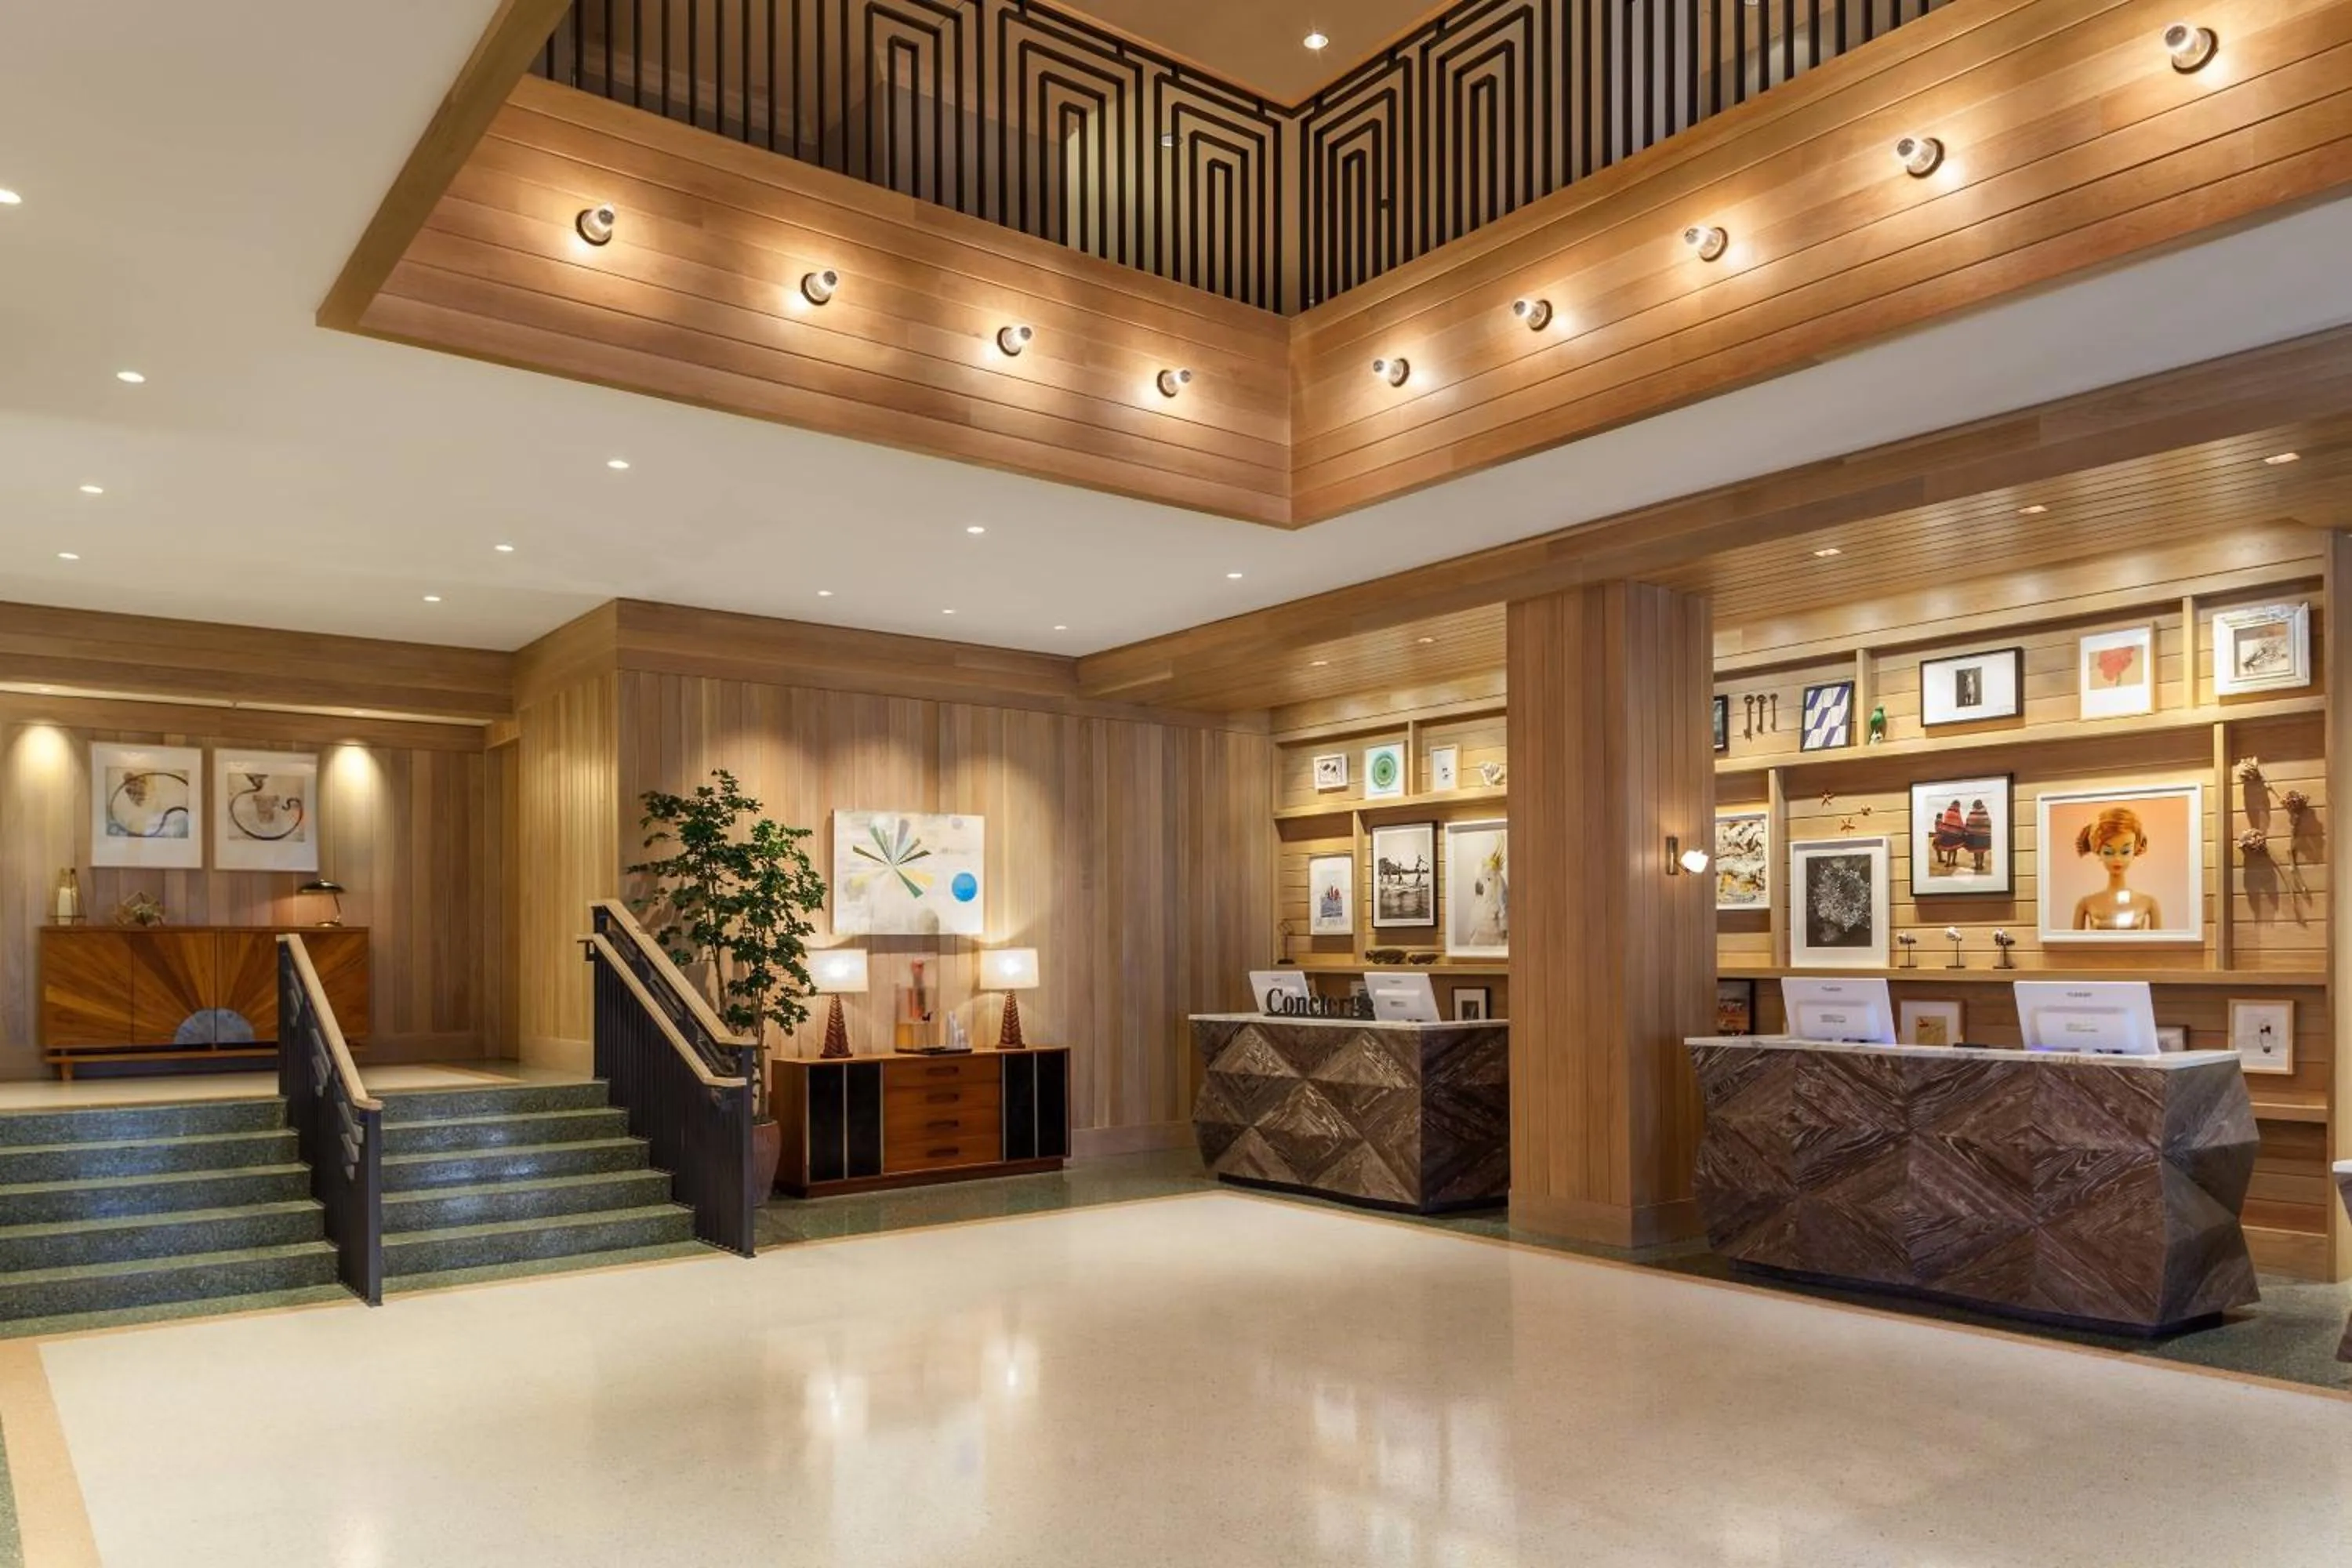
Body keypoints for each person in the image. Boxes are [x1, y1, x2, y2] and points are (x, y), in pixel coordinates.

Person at [2071, 807, 2161, 931]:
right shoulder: (2085, 904)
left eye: (2125, 852)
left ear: (2135, 850)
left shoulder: (2149, 903)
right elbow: (2075, 948)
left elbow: (2158, 948)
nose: (2117, 859)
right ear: (2098, 852)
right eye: (2108, 852)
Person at [1962, 797, 1995, 874]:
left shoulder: (1972, 813)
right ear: (1981, 805)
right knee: (1982, 851)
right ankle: (1980, 865)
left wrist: (1968, 830)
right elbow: (1989, 823)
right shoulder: (1985, 813)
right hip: (1984, 836)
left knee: (1976, 851)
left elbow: (1968, 822)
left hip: (1974, 836)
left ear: (1974, 805)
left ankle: (1977, 865)